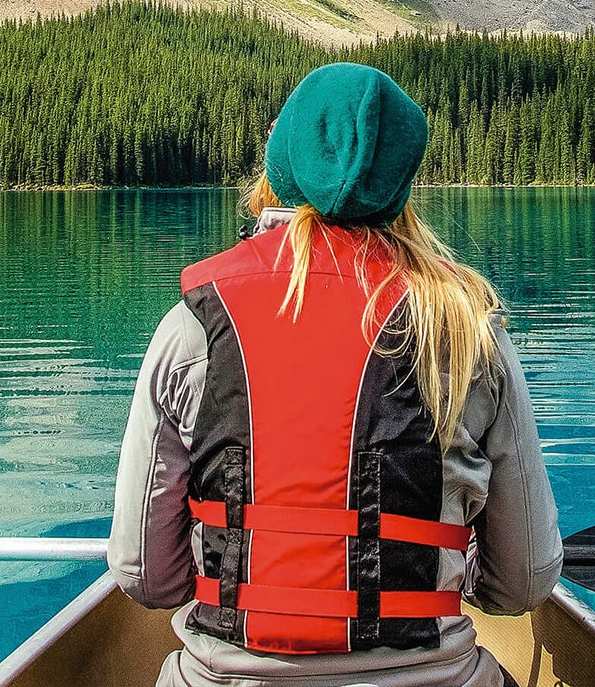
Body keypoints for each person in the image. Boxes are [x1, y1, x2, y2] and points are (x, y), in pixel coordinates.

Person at [109, 62, 562, 687]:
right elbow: (524, 584)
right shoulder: (468, 334)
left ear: (279, 171)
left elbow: (145, 577)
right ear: (401, 185)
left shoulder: (193, 327)